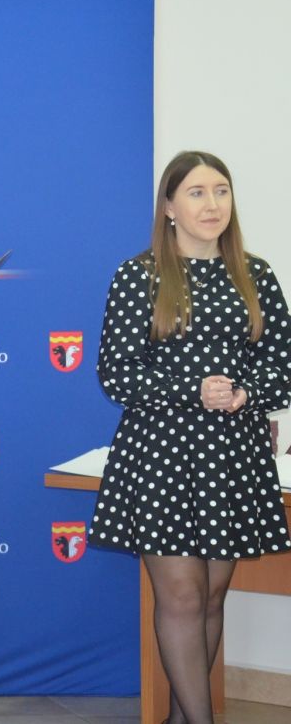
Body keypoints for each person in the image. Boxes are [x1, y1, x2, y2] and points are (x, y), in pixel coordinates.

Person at [89, 151, 291, 724]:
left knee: (210, 598)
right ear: (170, 207)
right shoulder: (140, 275)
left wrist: (247, 393)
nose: (212, 204)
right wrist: (191, 390)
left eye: (221, 191)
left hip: (234, 455)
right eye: (197, 192)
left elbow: (282, 365)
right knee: (181, 596)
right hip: (162, 454)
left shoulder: (255, 274)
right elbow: (117, 372)